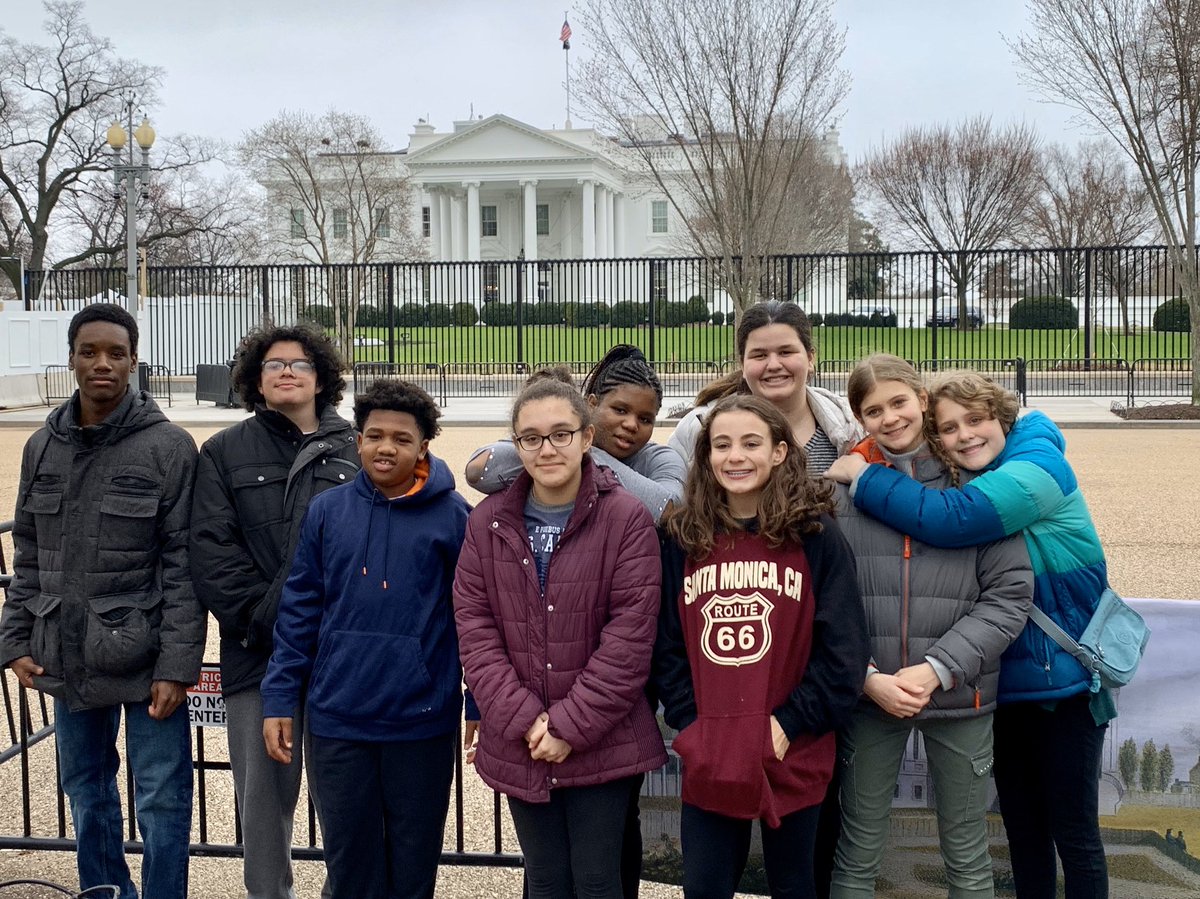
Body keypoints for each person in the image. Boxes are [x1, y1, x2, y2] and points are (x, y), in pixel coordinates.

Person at [825, 371, 1115, 899]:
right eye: (951, 426)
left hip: (1048, 680)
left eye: (976, 421)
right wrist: (866, 675)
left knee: (1065, 835)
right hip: (995, 684)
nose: (964, 435)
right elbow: (823, 598)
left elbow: (959, 528)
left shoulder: (1010, 480)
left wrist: (865, 478)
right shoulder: (845, 490)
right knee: (1020, 830)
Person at [1, 303, 204, 899]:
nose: (102, 364)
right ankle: (104, 891)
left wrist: (176, 666)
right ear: (71, 358)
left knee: (163, 799)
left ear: (134, 361)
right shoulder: (42, 446)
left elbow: (183, 566)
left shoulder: (169, 447)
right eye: (89, 351)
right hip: (65, 655)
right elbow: (30, 554)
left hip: (144, 663)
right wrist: (14, 640)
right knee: (86, 789)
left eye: (116, 353)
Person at [464, 344, 682, 898]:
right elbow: (476, 627)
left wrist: (566, 725)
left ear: (587, 439)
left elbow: (630, 637)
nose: (547, 448)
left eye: (562, 434)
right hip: (521, 735)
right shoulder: (488, 522)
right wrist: (524, 719)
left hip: (601, 737)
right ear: (517, 447)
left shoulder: (626, 517)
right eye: (532, 438)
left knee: (596, 880)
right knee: (544, 880)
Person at [261, 378, 470, 898]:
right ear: (358, 441)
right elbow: (300, 609)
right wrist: (280, 695)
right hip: (338, 719)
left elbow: (475, 618)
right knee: (351, 866)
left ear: (423, 446)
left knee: (412, 867)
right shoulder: (328, 512)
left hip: (420, 723)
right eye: (375, 435)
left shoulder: (454, 518)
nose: (386, 447)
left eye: (401, 438)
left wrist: (478, 702)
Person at [654, 394, 870, 899]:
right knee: (705, 888)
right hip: (714, 747)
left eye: (751, 443)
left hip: (794, 745)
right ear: (705, 456)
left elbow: (843, 651)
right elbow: (665, 646)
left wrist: (791, 722)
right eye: (722, 445)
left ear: (778, 451)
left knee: (796, 885)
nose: (736, 457)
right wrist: (692, 724)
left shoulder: (816, 535)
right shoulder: (683, 538)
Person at [190, 323, 358, 899]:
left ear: (321, 377)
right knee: (262, 806)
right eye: (273, 364)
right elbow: (213, 555)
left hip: (342, 656)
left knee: (349, 801)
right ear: (255, 382)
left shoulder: (360, 447)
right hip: (256, 655)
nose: (287, 371)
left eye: (300, 363)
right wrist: (273, 623)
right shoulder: (222, 452)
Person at [467, 345, 684, 523]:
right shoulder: (557, 439)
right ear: (591, 404)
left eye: (645, 419)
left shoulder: (660, 459)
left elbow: (669, 510)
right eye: (620, 410)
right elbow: (478, 471)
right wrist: (571, 446)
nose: (631, 425)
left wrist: (584, 452)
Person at [668, 300, 862, 476]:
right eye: (759, 355)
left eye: (786, 352)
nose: (773, 365)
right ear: (742, 365)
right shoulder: (697, 429)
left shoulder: (853, 426)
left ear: (810, 358)